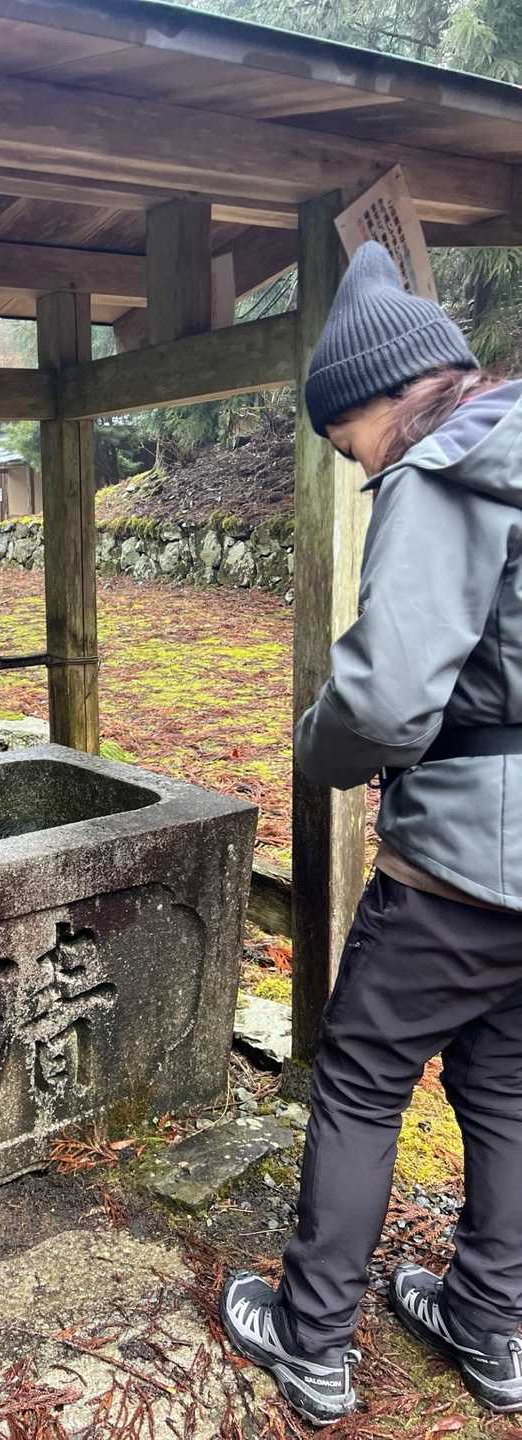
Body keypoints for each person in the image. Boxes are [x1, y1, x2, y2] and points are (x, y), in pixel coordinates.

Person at [218, 241, 522, 1426]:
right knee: (506, 1086)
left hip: (459, 863)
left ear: (378, 400)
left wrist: (318, 749)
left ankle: (311, 1341)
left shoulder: (440, 473)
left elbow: (388, 700)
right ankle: (490, 1325)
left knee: (360, 1079)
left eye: (347, 444)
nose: (357, 463)